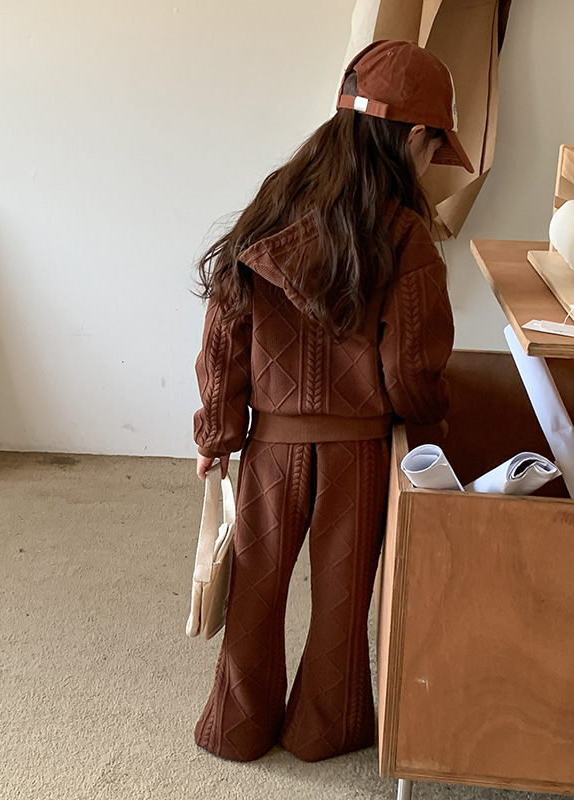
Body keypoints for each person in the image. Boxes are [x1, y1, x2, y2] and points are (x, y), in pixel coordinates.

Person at [191, 40, 473, 763]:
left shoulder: (274, 204)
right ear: (414, 136)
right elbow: (410, 369)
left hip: (268, 446)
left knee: (255, 589)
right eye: (433, 149)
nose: (431, 166)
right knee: (343, 600)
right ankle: (326, 729)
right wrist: (432, 430)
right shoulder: (405, 235)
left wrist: (217, 432)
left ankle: (236, 727)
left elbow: (224, 328)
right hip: (359, 452)